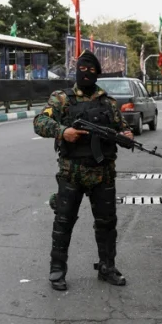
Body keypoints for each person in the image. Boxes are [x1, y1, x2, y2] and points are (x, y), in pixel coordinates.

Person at [33, 51, 132, 291]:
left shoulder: (108, 103)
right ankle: (57, 269)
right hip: (72, 173)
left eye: (90, 71)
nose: (85, 74)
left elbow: (124, 128)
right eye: (81, 69)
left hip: (103, 174)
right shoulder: (62, 99)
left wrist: (127, 136)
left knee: (107, 223)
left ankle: (107, 266)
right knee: (63, 222)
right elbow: (39, 122)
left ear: (97, 74)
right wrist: (62, 131)